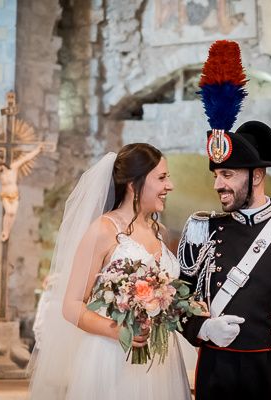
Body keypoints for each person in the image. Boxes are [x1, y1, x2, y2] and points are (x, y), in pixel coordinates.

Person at [28, 143, 192, 400]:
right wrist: (117, 330)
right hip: (113, 357)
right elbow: (71, 305)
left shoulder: (160, 232)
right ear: (133, 184)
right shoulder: (103, 230)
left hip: (162, 359)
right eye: (161, 178)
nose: (169, 186)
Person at [178, 120, 271, 400]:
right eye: (215, 176)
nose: (218, 185)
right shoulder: (203, 230)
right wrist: (203, 328)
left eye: (227, 174)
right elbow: (177, 301)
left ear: (256, 176)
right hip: (216, 373)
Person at [0, 142, 43, 241]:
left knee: (13, 213)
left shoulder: (13, 167)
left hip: (15, 194)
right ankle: (4, 231)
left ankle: (7, 232)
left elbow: (26, 158)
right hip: (5, 194)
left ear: (2, 165)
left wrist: (37, 150)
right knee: (9, 212)